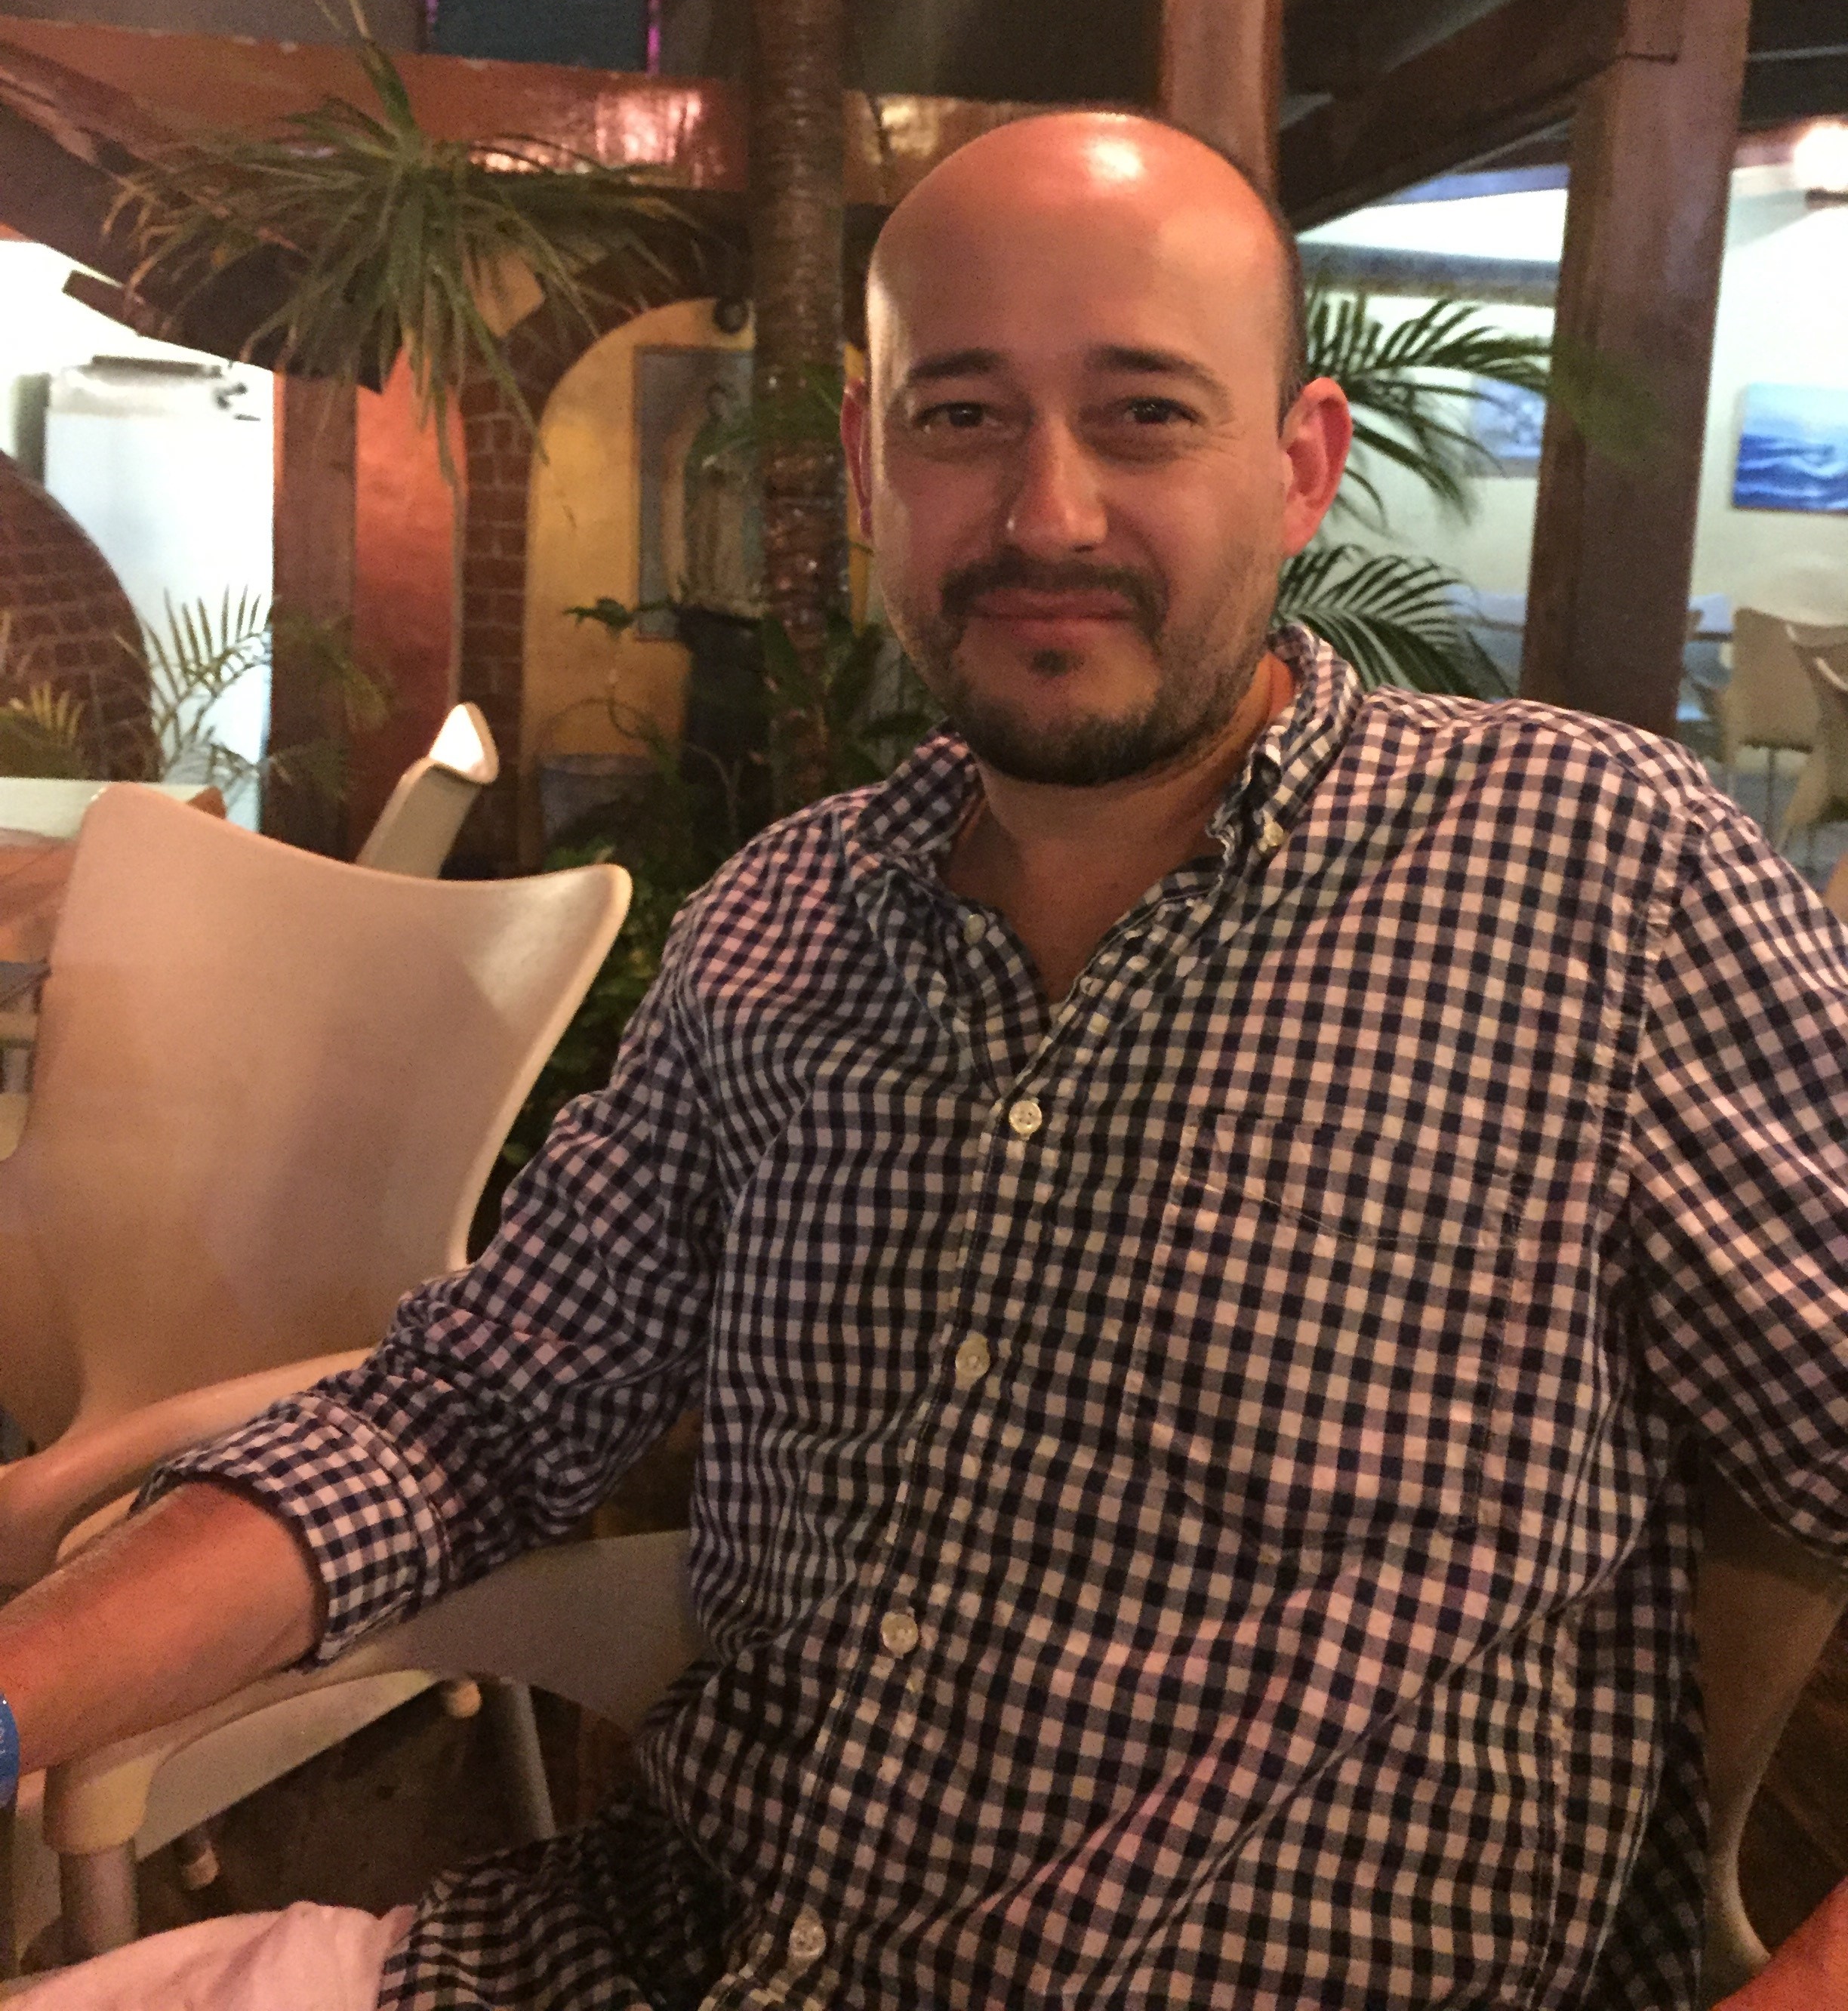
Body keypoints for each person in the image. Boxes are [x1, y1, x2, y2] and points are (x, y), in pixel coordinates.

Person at [5, 111, 1848, 2010]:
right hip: (637, 1961)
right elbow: (462, 1417)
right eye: (961, 416)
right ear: (874, 463)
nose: (1047, 515)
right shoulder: (785, 922)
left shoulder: (1594, 875)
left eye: (1144, 415)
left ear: (1302, 466)